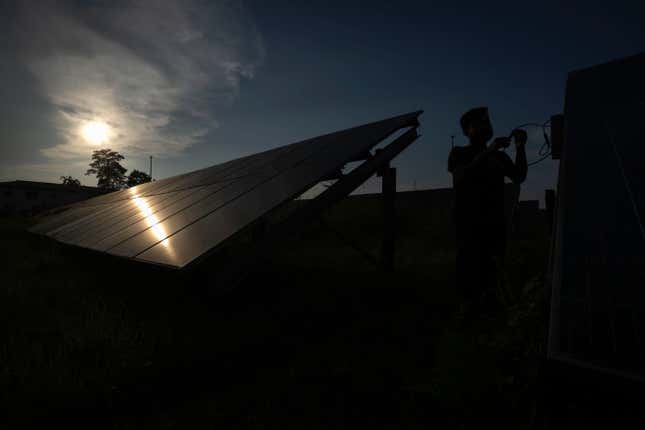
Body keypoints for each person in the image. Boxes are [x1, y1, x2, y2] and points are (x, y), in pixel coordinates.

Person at [448, 106, 527, 314]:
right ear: (467, 130)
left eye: (487, 121)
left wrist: (520, 146)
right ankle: (469, 319)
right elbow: (460, 179)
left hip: (495, 226)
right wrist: (489, 151)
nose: (486, 125)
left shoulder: (499, 157)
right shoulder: (459, 153)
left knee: (493, 276)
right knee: (469, 278)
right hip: (469, 228)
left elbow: (519, 176)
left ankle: (490, 317)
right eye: (479, 123)